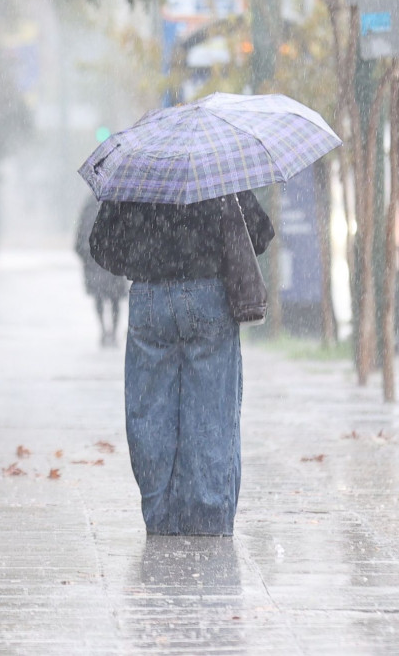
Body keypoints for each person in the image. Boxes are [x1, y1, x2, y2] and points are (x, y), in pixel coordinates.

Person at [89, 191, 273, 536]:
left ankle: (160, 514)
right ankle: (207, 516)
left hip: (149, 298)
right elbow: (260, 233)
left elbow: (100, 244)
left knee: (150, 410)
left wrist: (144, 260)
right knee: (211, 409)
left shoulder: (139, 175)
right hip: (208, 297)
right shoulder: (217, 174)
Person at [74, 197, 129, 345]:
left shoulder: (89, 205)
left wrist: (85, 254)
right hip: (112, 258)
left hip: (95, 259)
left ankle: (105, 331)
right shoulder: (117, 203)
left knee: (100, 297)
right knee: (114, 298)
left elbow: (80, 235)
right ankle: (112, 332)